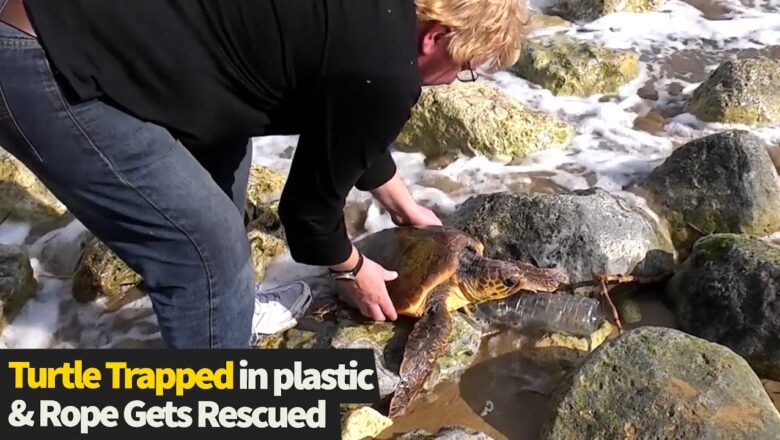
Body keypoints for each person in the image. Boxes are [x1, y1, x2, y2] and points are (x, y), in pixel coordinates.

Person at [0, 0, 528, 348]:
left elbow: (342, 114)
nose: (457, 82)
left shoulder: (375, 18)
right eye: (466, 67)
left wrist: (400, 200)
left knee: (225, 153)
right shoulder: (385, 71)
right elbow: (307, 217)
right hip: (42, 66)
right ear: (435, 38)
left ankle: (223, 313)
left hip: (74, 27)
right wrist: (351, 269)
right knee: (205, 246)